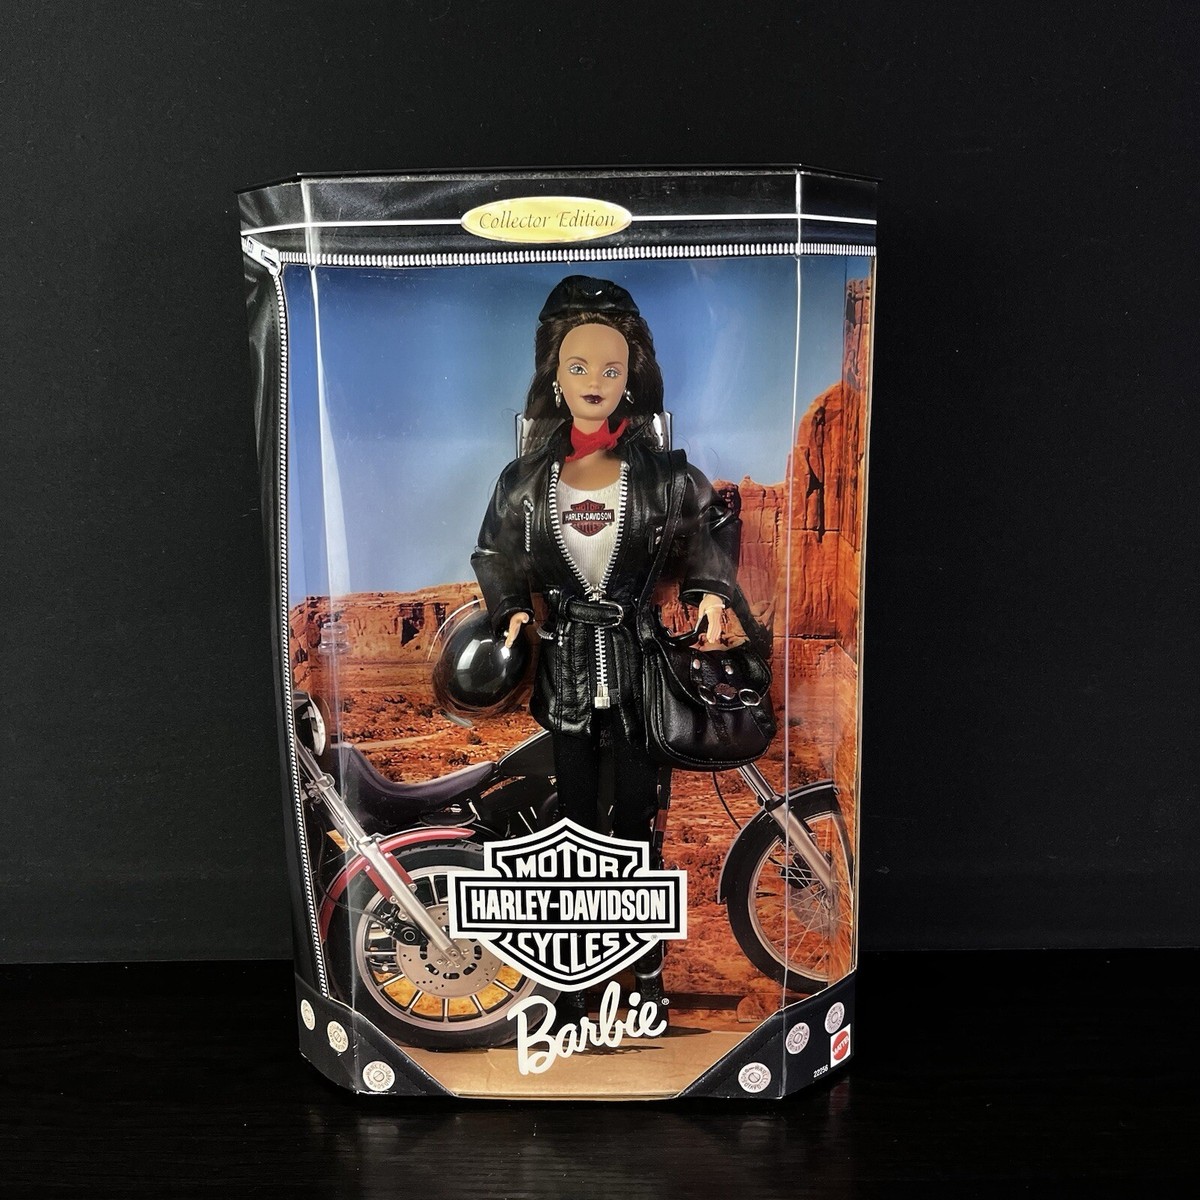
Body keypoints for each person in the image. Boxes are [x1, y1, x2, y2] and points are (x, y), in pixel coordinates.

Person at [471, 275, 741, 1026]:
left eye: (612, 368)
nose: (595, 381)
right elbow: (494, 552)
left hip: (638, 669)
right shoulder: (525, 480)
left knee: (637, 826)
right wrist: (510, 611)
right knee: (573, 834)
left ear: (632, 380)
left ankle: (640, 981)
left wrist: (711, 593)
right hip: (564, 671)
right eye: (579, 366)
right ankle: (569, 985)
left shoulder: (665, 476)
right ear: (556, 378)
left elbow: (712, 525)